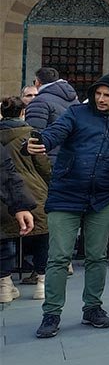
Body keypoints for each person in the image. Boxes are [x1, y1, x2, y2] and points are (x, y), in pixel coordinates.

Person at [27, 72, 109, 339]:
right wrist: (42, 141)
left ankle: (93, 308)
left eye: (108, 95)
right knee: (59, 256)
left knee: (97, 256)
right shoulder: (77, 113)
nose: (101, 99)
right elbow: (55, 132)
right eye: (98, 93)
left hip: (105, 197)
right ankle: (51, 313)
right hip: (66, 194)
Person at [1, 96, 43, 303]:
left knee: (5, 237)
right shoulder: (31, 134)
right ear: (23, 112)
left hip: (9, 194)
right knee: (42, 235)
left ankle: (5, 284)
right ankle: (42, 283)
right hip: (33, 190)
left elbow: (4, 168)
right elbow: (43, 165)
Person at [25, 67, 78, 132]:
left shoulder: (39, 102)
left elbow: (35, 132)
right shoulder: (74, 99)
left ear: (38, 82)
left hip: (51, 141)